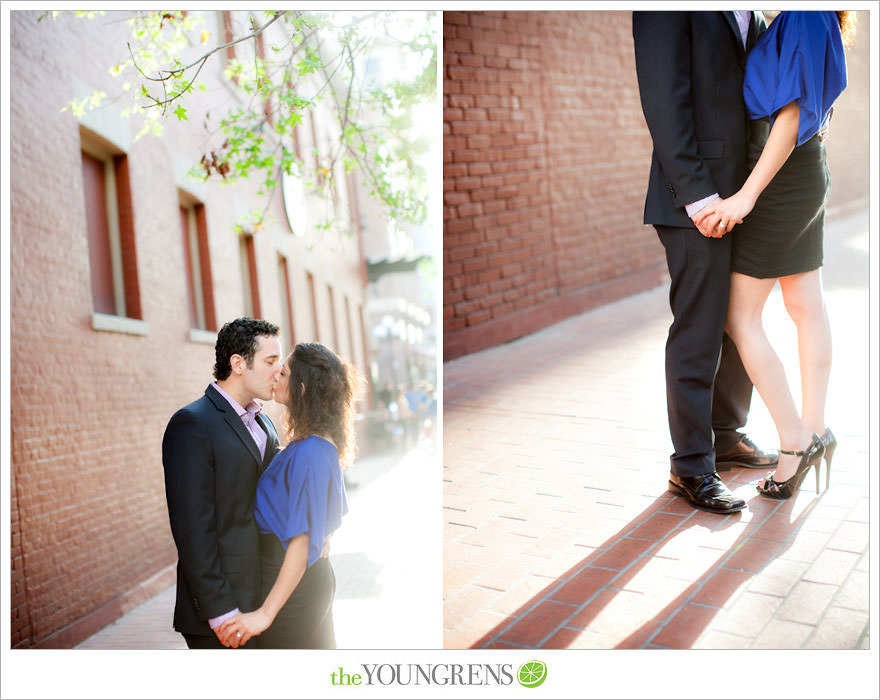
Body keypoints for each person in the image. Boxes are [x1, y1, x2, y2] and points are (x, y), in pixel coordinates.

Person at [693, 11, 852, 499]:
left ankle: (795, 444)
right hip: (799, 171)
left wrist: (746, 196)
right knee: (806, 306)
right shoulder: (805, 15)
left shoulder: (805, 13)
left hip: (779, 176)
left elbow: (793, 114)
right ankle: (816, 430)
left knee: (740, 319)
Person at [632, 11, 778, 514]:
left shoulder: (755, 13)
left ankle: (726, 433)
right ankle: (691, 465)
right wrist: (696, 196)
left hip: (746, 194)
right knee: (700, 327)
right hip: (695, 199)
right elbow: (663, 99)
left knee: (741, 320)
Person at [217, 342, 360, 648]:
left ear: (302, 388)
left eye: (283, 372)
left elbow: (303, 541)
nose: (275, 377)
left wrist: (265, 615)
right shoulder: (306, 445)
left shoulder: (311, 451)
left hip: (295, 588)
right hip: (296, 579)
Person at [161, 317, 283, 648]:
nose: (279, 371)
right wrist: (220, 611)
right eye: (270, 361)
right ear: (238, 364)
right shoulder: (192, 424)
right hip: (221, 614)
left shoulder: (264, 422)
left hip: (262, 602)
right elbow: (192, 529)